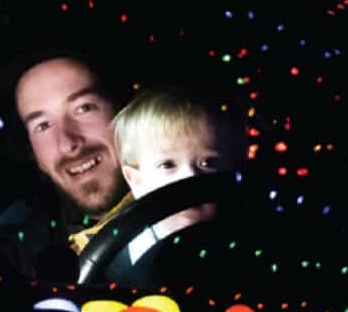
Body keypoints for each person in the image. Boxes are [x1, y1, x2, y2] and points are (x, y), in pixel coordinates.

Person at [0, 49, 129, 279]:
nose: (68, 144)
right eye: (43, 126)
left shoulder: (189, 210)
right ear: (34, 153)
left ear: (124, 111)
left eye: (83, 108)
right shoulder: (14, 257)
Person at [69, 86, 237, 262]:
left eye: (207, 163)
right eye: (168, 165)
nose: (190, 177)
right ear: (135, 180)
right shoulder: (118, 252)